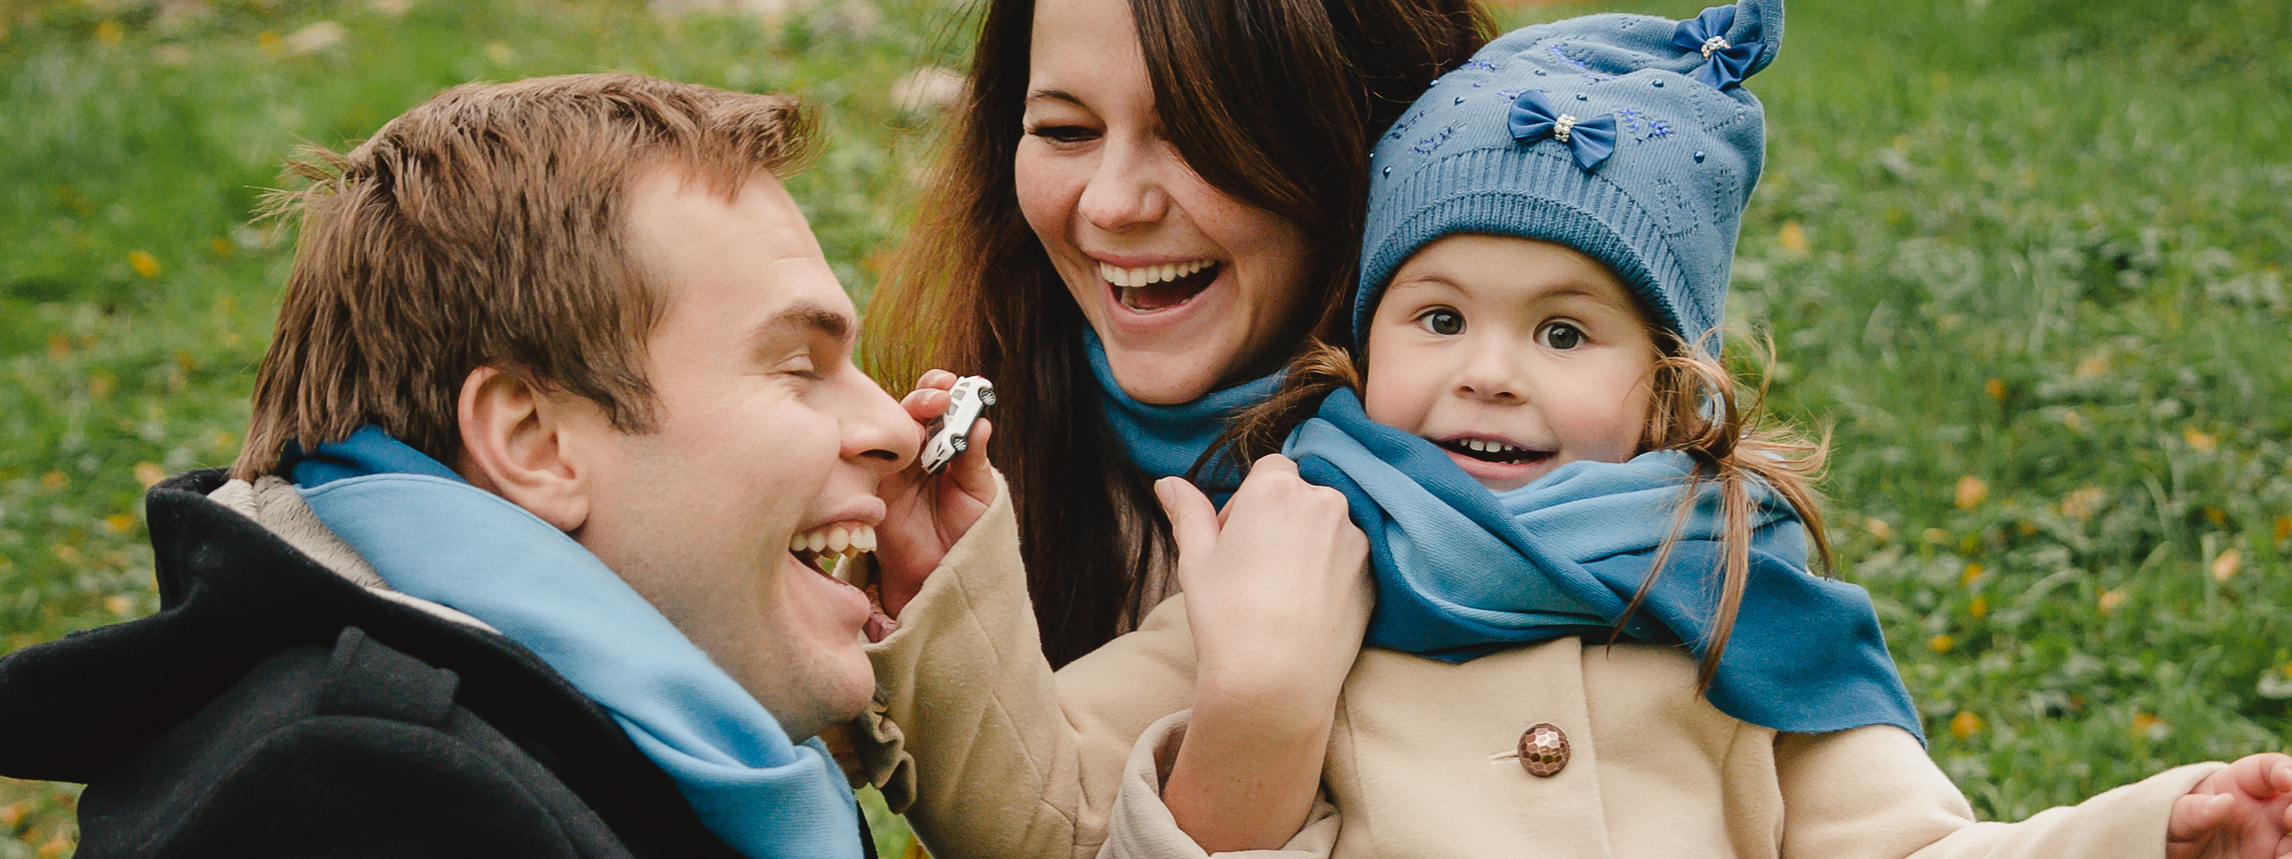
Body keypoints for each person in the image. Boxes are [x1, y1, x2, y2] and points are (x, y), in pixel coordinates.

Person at [862, 2, 2292, 857]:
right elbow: (1039, 805)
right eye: (1438, 319)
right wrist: (952, 584)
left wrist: (2141, 831)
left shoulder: (1726, 587)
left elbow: (1911, 845)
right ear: (1361, 341)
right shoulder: (1284, 541)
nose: (1491, 374)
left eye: (1561, 333)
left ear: (1671, 390)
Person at [0, 73, 951, 859]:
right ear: (533, 441)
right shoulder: (377, 805)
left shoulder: (625, 757)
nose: (895, 428)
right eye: (798, 365)